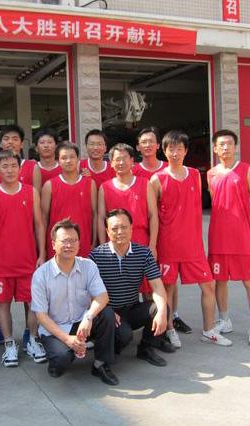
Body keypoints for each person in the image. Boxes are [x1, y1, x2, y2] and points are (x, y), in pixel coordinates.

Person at [151, 130, 232, 349]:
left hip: (193, 246)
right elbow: (153, 216)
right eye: (171, 149)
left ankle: (209, 331)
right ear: (164, 151)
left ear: (186, 151)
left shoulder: (196, 174)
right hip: (168, 245)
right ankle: (169, 329)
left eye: (179, 149)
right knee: (167, 289)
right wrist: (153, 246)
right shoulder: (157, 179)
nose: (175, 153)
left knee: (208, 286)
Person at [32, 219, 119, 385]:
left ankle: (101, 364)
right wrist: (67, 339)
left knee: (107, 313)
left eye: (73, 241)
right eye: (64, 241)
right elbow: (41, 316)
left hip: (81, 322)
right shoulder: (41, 275)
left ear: (79, 244)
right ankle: (59, 358)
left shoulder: (88, 266)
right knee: (61, 359)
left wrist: (88, 317)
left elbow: (102, 296)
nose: (69, 245)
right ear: (53, 244)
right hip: (56, 328)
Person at [0, 151, 47, 367]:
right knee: (3, 304)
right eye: (5, 166)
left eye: (13, 166)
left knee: (33, 303)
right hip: (0, 261)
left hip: (27, 259)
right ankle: (9, 344)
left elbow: (39, 224)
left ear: (20, 169)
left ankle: (33, 340)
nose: (9, 170)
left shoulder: (31, 191)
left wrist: (42, 253)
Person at [90, 209, 170, 366]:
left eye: (124, 227)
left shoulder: (144, 253)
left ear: (131, 228)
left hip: (132, 309)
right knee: (124, 336)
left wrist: (162, 312)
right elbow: (89, 292)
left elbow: (157, 286)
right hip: (109, 313)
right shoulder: (96, 256)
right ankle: (105, 344)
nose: (120, 232)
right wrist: (105, 311)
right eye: (114, 228)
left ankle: (146, 348)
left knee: (161, 307)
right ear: (107, 231)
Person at [207, 129, 250, 346]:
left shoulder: (247, 170)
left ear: (235, 146)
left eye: (229, 143)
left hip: (242, 238)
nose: (226, 147)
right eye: (221, 144)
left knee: (249, 281)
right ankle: (225, 320)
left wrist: (245, 222)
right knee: (220, 280)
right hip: (218, 237)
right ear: (215, 148)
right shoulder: (211, 173)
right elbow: (216, 201)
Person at [133, 127, 191, 334]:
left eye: (151, 141)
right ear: (138, 147)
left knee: (169, 279)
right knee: (146, 281)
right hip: (143, 234)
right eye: (144, 142)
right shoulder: (133, 170)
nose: (148, 145)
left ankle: (173, 316)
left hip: (167, 234)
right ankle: (152, 321)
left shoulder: (170, 167)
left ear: (159, 145)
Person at [98, 143, 158, 301]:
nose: (121, 162)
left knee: (147, 289)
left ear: (132, 161)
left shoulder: (145, 183)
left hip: (140, 240)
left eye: (125, 158)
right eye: (117, 159)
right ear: (111, 163)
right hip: (114, 243)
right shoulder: (105, 187)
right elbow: (100, 218)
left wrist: (152, 245)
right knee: (117, 288)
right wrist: (102, 245)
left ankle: (152, 316)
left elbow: (153, 215)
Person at [41, 141, 97, 259]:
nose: (68, 161)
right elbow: (43, 219)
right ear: (58, 161)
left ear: (78, 159)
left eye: (72, 157)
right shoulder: (49, 185)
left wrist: (94, 242)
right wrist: (43, 249)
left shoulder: (90, 183)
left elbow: (95, 215)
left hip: (84, 244)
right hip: (58, 246)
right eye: (64, 158)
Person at [0, 124, 41, 192]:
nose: (10, 142)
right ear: (0, 144)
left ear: (21, 144)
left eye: (15, 139)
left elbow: (37, 195)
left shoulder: (33, 168)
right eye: (6, 139)